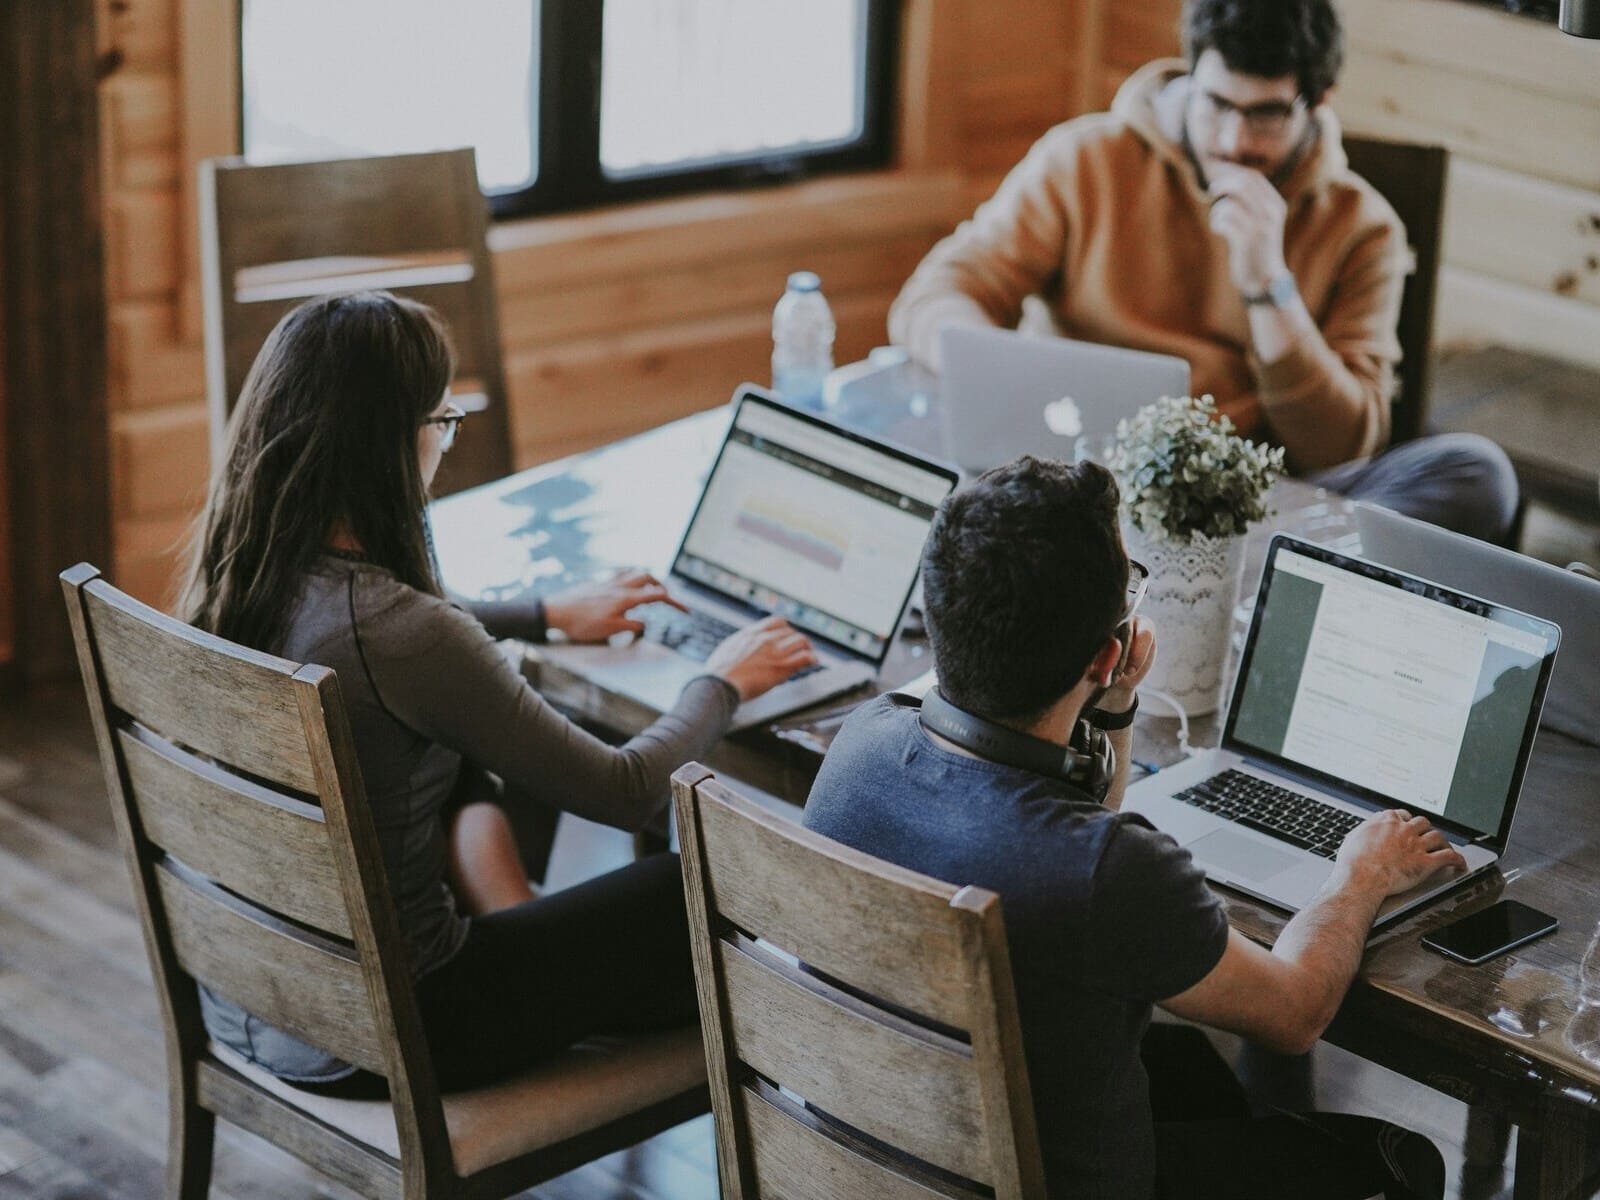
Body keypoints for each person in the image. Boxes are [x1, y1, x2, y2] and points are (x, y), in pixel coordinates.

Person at [180, 289, 817, 1094]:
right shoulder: (402, 633)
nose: (446, 444)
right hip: (405, 1026)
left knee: (459, 752)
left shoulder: (243, 573)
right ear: (392, 442)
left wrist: (543, 615)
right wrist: (722, 679)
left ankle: (526, 929)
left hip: (257, 998)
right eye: (442, 423)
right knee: (685, 886)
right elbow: (621, 791)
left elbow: (397, 639)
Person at [803, 455, 1458, 1200]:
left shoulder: (859, 743)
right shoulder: (1109, 871)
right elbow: (1297, 1012)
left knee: (1194, 1074)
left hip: (879, 1156)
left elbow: (1070, 844)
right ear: (1106, 653)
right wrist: (1361, 873)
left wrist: (1110, 709)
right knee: (1399, 1157)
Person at [889, 0, 1517, 545]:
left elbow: (1343, 447)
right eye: (1216, 103)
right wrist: (1002, 376)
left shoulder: (1364, 228)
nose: (1235, 139)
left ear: (1318, 101)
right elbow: (935, 296)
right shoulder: (1084, 159)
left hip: (1252, 506)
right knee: (899, 439)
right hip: (1074, 480)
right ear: (1190, 73)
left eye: (1267, 115)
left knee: (1476, 474)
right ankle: (1227, 588)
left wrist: (1269, 286)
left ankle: (1234, 584)